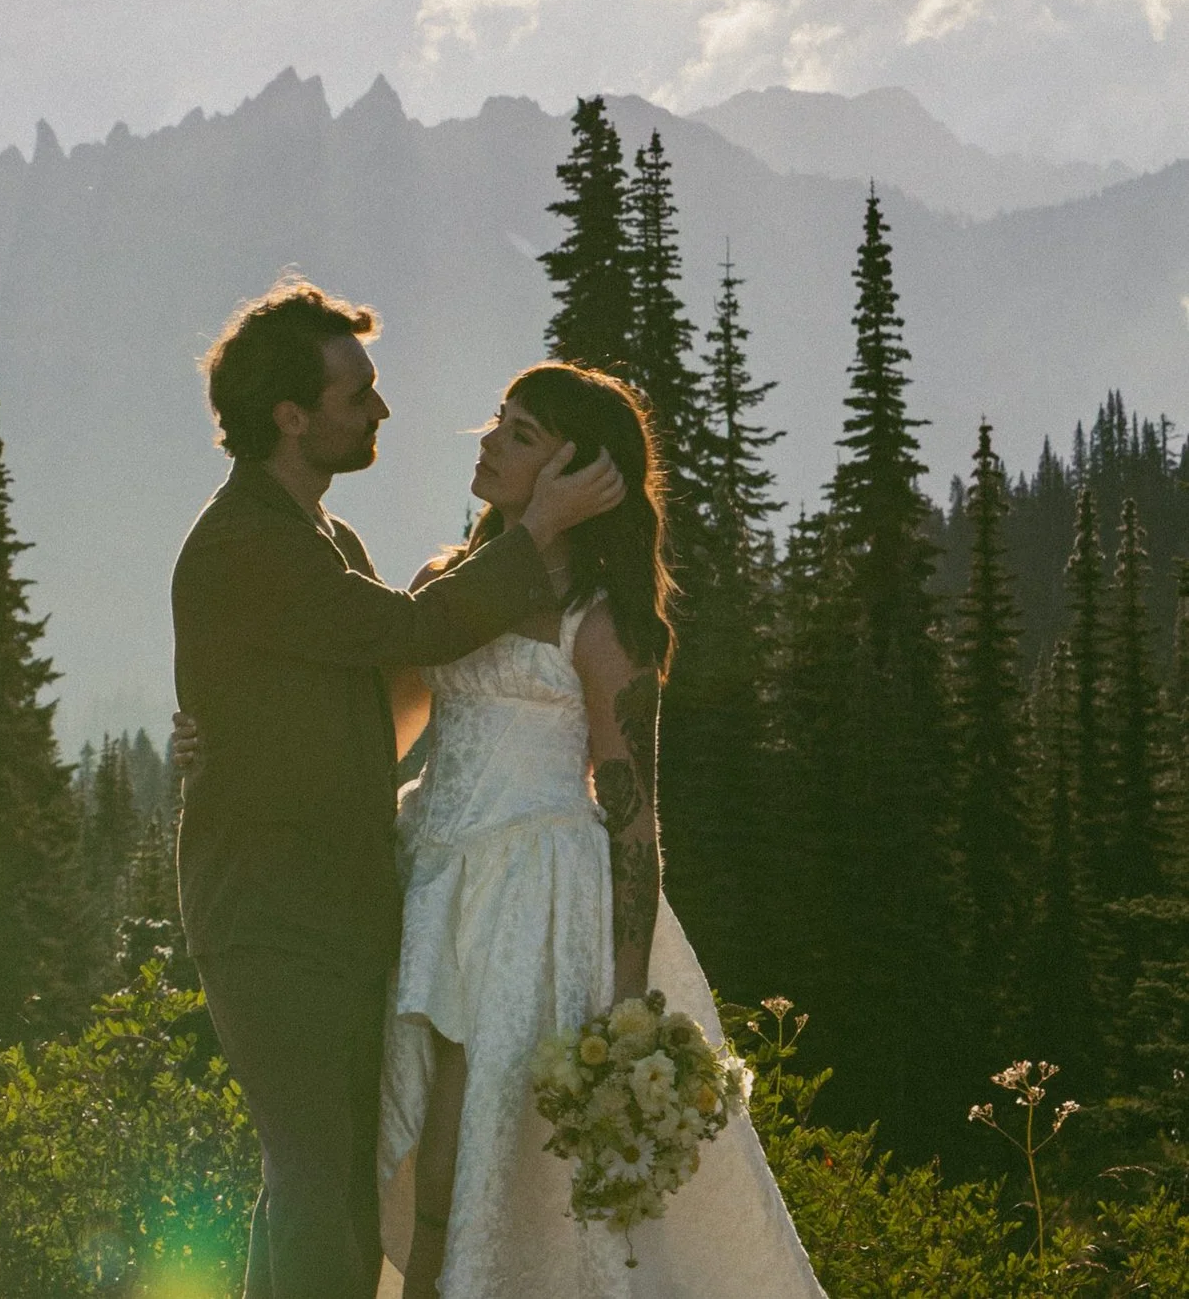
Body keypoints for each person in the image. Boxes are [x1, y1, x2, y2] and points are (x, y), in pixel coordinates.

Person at [184, 362, 827, 1298]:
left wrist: (630, 993)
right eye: (499, 420)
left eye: (520, 434)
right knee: (365, 1149)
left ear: (575, 477)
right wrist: (233, 733)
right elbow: (387, 725)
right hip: (428, 876)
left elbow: (634, 811)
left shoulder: (601, 625)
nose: (488, 440)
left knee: (461, 1149)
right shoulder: (451, 584)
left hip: (531, 894)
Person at [170, 283, 625, 1299]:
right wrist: (539, 525)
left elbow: (390, 700)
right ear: (292, 416)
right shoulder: (248, 547)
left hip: (338, 905)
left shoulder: (320, 541)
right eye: (356, 394)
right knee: (316, 1180)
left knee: (315, 1180)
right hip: (269, 916)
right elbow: (414, 632)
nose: (379, 411)